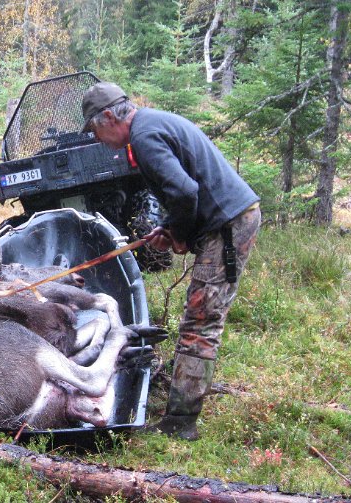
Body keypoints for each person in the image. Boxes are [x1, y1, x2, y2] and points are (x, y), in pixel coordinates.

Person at [81, 82, 261, 441]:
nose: (97, 139)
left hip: (228, 225)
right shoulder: (150, 126)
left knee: (200, 323)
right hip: (226, 221)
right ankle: (184, 402)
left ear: (108, 117)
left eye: (94, 130)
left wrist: (178, 234)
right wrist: (168, 228)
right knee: (201, 319)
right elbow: (183, 187)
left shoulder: (144, 139)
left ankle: (180, 423)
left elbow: (185, 191)